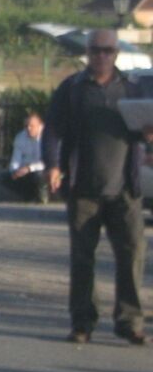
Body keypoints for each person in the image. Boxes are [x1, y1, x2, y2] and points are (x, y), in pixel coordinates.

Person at [44, 28, 148, 346]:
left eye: (107, 50)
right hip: (84, 188)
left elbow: (144, 134)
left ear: (116, 54)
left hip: (124, 188)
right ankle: (82, 322)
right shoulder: (73, 88)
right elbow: (53, 130)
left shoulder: (132, 88)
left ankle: (130, 322)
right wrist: (53, 165)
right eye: (95, 50)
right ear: (87, 53)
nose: (101, 56)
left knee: (132, 253)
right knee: (82, 258)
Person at [4, 112, 49, 203]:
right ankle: (28, 196)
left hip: (44, 169)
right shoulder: (20, 137)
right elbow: (16, 159)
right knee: (5, 177)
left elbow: (47, 161)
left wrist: (29, 168)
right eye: (26, 126)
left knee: (38, 175)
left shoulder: (47, 137)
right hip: (25, 169)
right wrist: (14, 171)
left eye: (32, 126)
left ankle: (43, 195)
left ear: (40, 126)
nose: (28, 128)